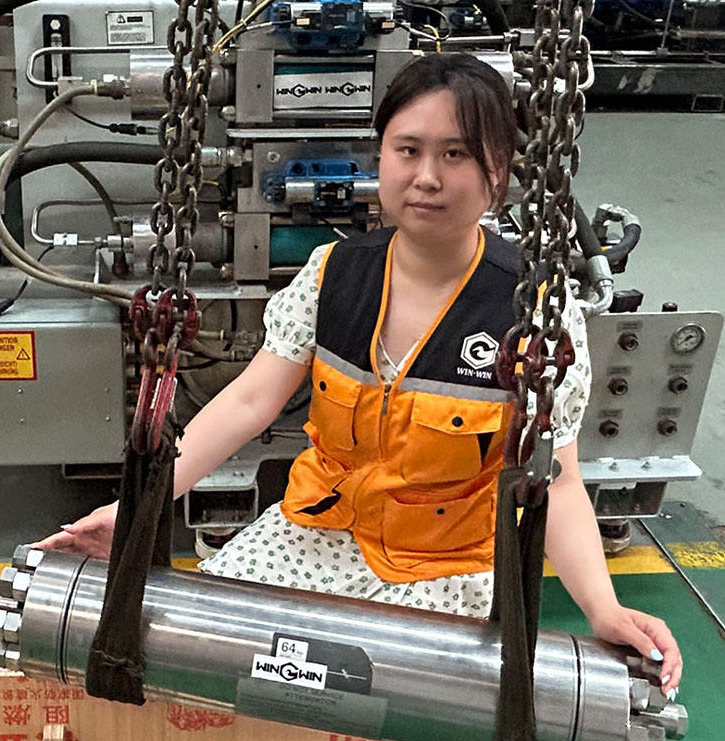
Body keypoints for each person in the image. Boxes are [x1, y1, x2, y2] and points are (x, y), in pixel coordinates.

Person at [36, 52, 681, 696]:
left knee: (396, 712)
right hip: (313, 535)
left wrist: (604, 609)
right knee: (204, 668)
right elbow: (249, 402)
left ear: (499, 172)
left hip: (445, 569)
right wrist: (135, 510)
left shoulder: (534, 313)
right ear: (382, 158)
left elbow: (556, 480)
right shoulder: (333, 273)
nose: (426, 177)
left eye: (456, 154)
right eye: (408, 150)